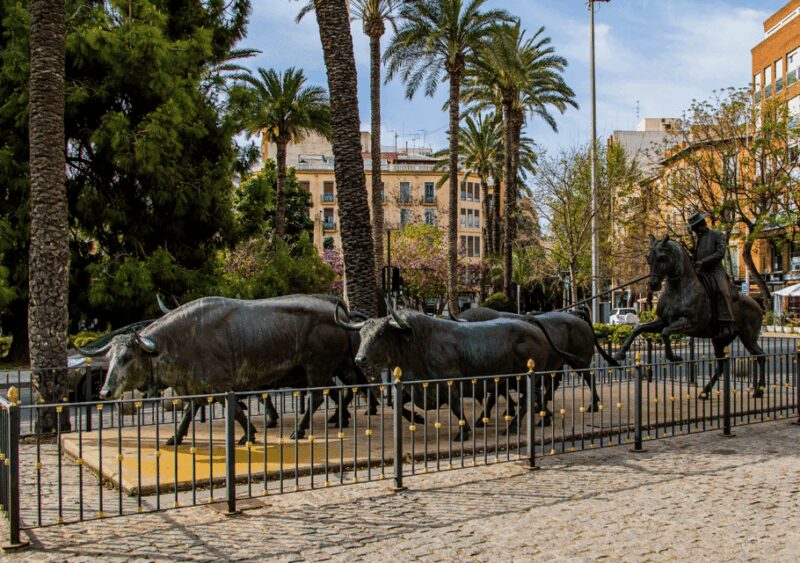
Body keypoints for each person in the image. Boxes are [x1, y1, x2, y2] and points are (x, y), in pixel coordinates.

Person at [687, 211, 736, 337]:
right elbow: (697, 256)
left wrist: (703, 261)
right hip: (701, 271)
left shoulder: (717, 234)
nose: (693, 230)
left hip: (715, 271)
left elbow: (720, 253)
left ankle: (726, 323)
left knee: (721, 290)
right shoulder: (698, 239)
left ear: (700, 224)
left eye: (694, 227)